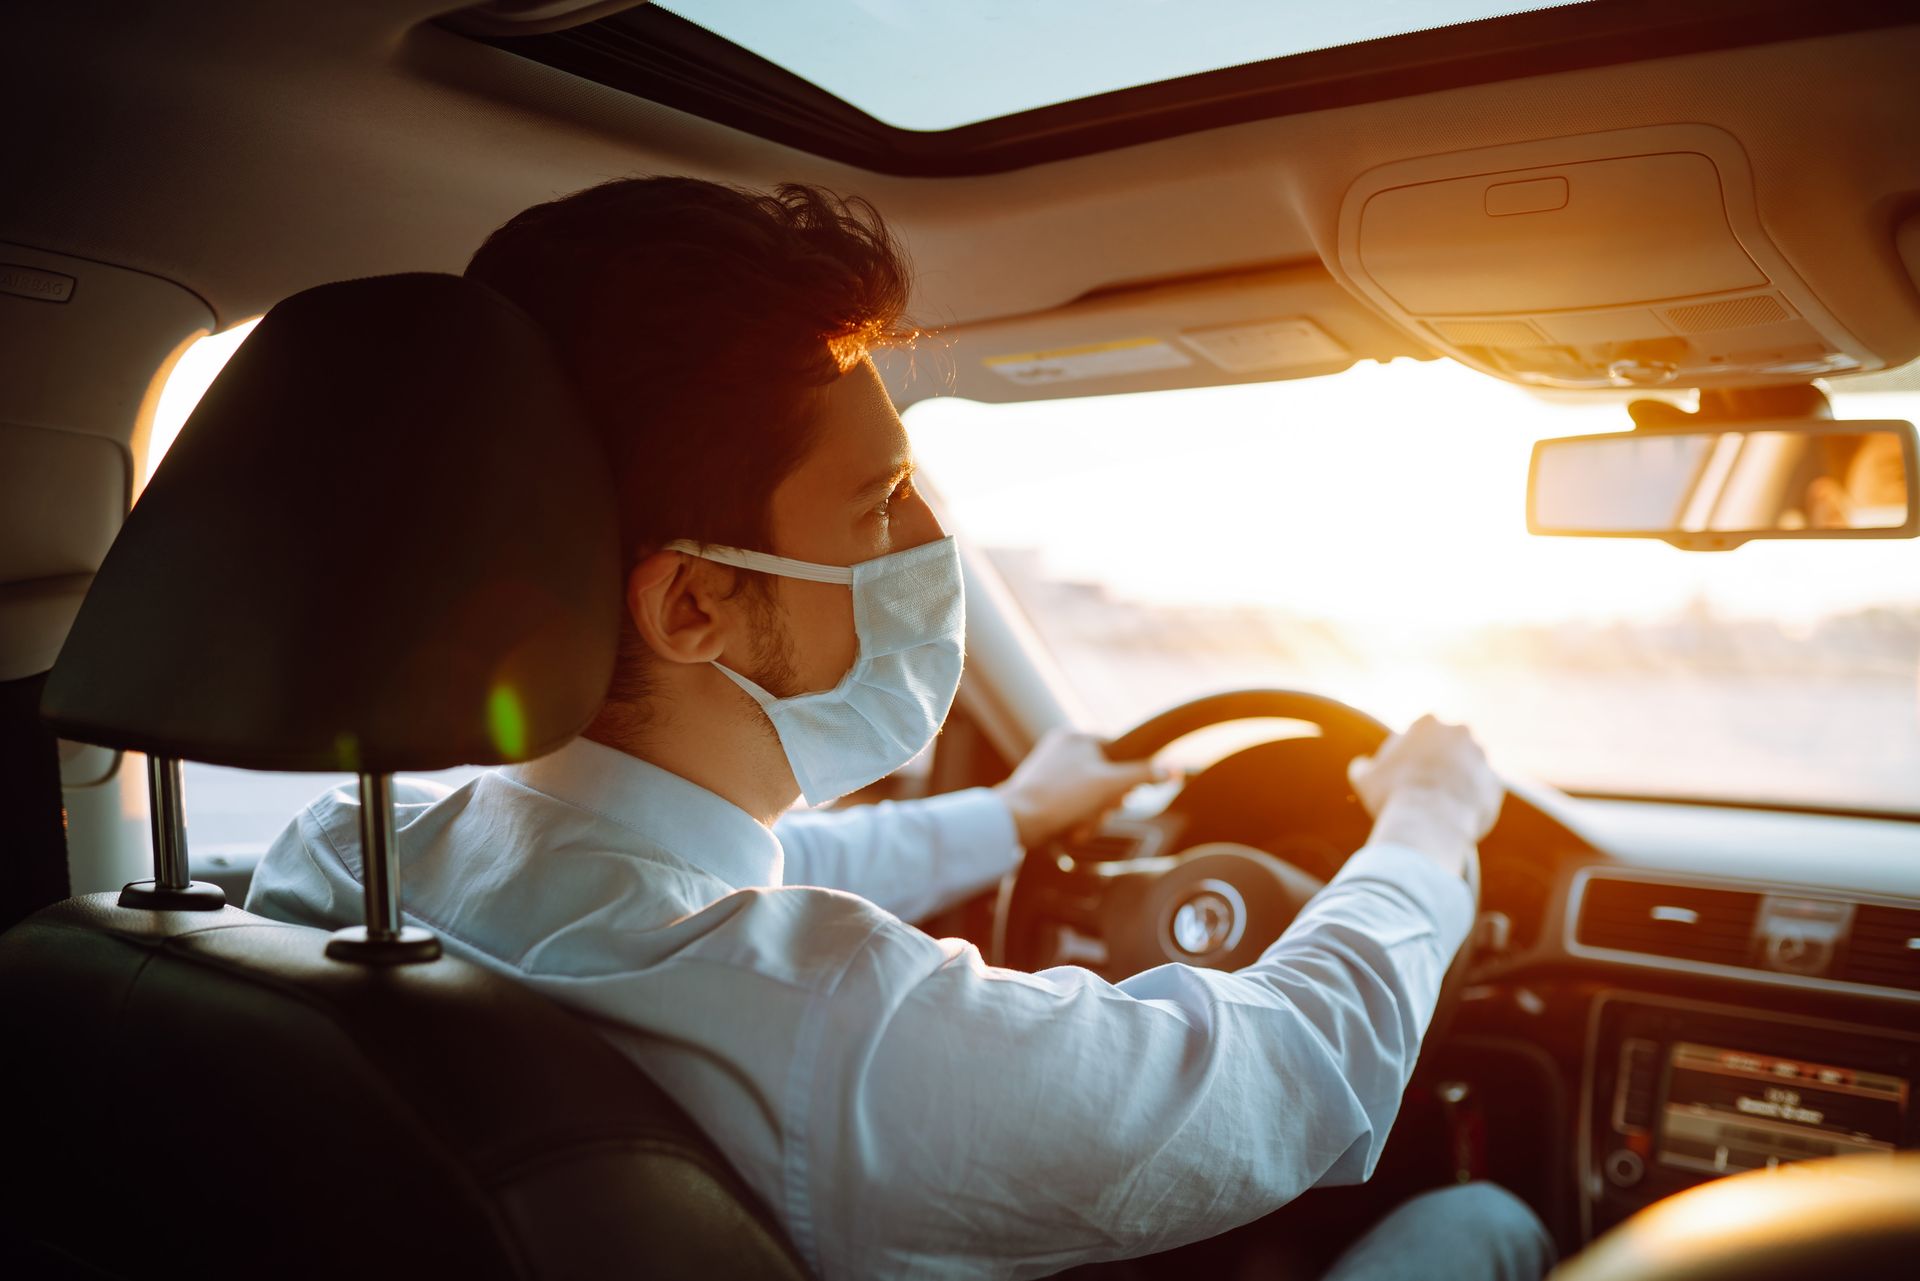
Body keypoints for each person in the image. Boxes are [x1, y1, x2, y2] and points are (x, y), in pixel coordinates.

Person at [247, 178, 1551, 1280]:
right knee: (1486, 1220)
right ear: (695, 600)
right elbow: (1278, 1078)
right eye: (879, 503)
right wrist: (1426, 819)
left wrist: (1016, 817)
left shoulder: (331, 869)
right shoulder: (837, 1028)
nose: (935, 543)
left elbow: (742, 884)